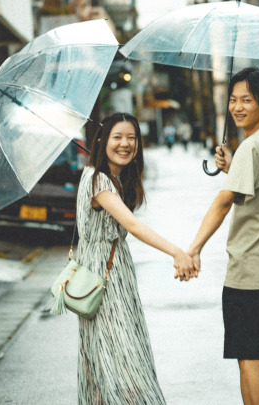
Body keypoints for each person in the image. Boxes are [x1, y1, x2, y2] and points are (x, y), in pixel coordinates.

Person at [187, 68, 259, 405]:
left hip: (250, 274)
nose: (237, 107)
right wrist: (231, 167)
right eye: (233, 100)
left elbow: (225, 201)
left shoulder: (253, 147)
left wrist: (194, 248)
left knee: (248, 355)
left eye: (247, 100)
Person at [76, 112, 196, 404]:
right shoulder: (99, 180)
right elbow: (133, 225)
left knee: (104, 355)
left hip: (106, 274)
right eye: (118, 137)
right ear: (102, 140)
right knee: (123, 354)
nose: (126, 144)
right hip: (104, 279)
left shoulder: (109, 179)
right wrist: (178, 252)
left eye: (132, 138)